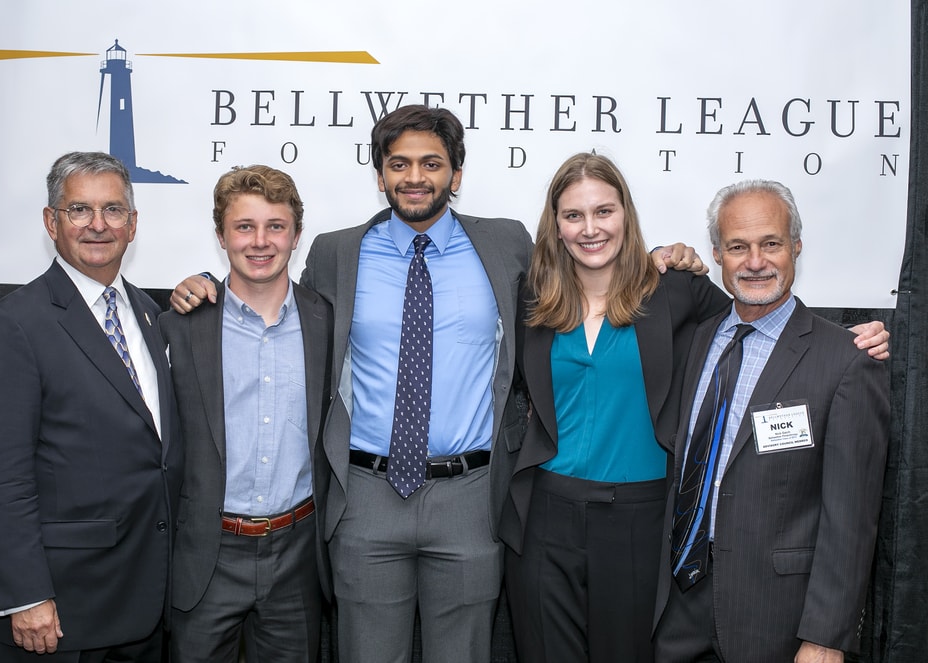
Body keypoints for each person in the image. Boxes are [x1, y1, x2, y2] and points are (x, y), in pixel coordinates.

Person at [171, 105, 709, 662]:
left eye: (432, 163)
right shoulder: (336, 253)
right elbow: (276, 305)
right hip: (367, 496)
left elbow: (588, 274)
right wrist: (203, 287)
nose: (415, 177)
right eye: (398, 164)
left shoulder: (507, 245)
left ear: (456, 173)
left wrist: (664, 258)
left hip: (471, 499)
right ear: (379, 175)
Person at [500, 152, 733, 663]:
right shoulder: (532, 299)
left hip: (638, 520)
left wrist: (844, 342)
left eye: (604, 212)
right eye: (574, 215)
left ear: (625, 214)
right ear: (555, 225)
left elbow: (761, 328)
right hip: (542, 516)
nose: (590, 229)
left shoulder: (676, 289)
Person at [652, 180, 891, 663]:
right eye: (738, 246)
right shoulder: (694, 342)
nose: (755, 261)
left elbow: (852, 519)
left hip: (778, 618)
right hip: (678, 603)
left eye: (772, 244)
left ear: (797, 246)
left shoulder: (845, 360)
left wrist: (826, 636)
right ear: (717, 254)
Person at [0, 151, 182, 661]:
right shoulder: (13, 325)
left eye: (113, 210)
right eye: (79, 210)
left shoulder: (151, 314)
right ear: (50, 222)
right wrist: (26, 595)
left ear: (132, 224)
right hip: (60, 614)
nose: (97, 225)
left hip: (144, 604)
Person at [159, 165, 332, 662]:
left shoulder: (328, 320)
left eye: (275, 226)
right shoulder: (178, 326)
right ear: (220, 235)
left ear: (296, 235)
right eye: (244, 227)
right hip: (207, 553)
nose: (260, 242)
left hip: (297, 553)